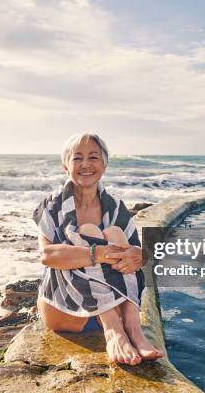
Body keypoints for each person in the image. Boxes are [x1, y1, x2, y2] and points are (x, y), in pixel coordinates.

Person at [33, 132, 164, 366]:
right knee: (89, 231)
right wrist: (99, 253)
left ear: (104, 165)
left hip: (119, 307)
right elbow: (47, 256)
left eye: (93, 157)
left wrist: (139, 256)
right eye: (77, 158)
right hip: (68, 309)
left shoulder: (115, 207)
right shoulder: (52, 205)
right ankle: (113, 330)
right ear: (66, 165)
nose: (85, 164)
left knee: (114, 233)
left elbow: (138, 256)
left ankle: (133, 329)